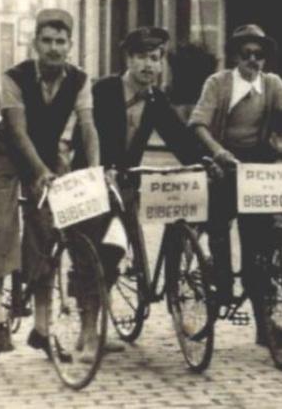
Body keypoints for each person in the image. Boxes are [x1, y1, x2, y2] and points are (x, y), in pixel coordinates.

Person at [0, 8, 101, 358]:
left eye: (60, 42)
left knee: (46, 233)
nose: (54, 48)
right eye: (46, 41)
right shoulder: (13, 78)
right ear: (35, 43)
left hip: (45, 157)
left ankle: (42, 327)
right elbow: (16, 133)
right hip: (4, 156)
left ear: (70, 45)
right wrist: (40, 173)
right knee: (5, 226)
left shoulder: (79, 80)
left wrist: (93, 169)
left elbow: (88, 128)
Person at [72, 27, 205, 350]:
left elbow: (178, 136)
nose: (150, 65)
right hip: (91, 183)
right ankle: (88, 334)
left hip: (125, 184)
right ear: (128, 59)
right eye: (143, 57)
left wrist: (205, 162)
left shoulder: (156, 98)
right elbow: (83, 135)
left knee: (115, 249)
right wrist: (100, 171)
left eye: (156, 58)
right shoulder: (103, 90)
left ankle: (102, 324)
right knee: (96, 253)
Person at [189, 24, 282, 346]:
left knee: (259, 248)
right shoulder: (218, 83)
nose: (253, 61)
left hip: (257, 168)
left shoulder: (271, 84)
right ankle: (220, 285)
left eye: (259, 55)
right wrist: (218, 152)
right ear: (236, 56)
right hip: (224, 165)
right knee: (218, 227)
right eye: (247, 54)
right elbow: (199, 124)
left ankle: (265, 326)